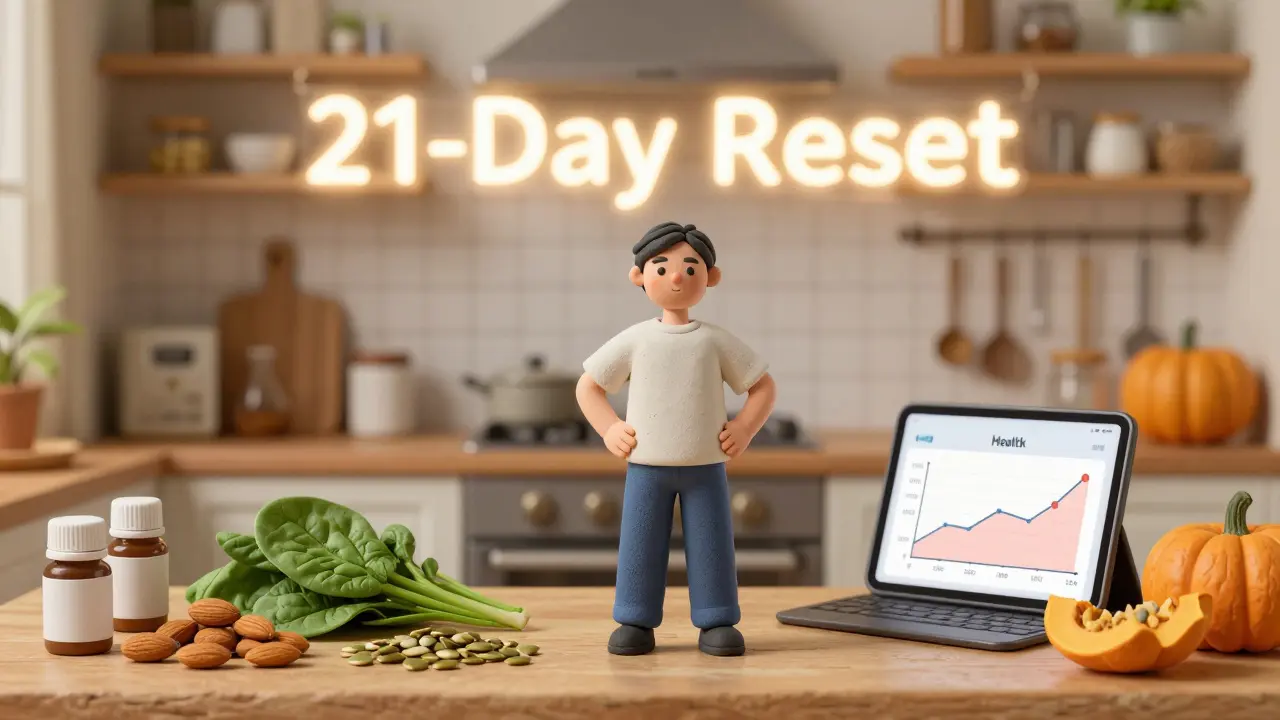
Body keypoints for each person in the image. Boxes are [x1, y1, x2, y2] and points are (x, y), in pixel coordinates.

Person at [576, 221, 777, 657]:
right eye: (661, 267)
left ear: (710, 278)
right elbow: (588, 386)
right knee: (640, 540)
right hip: (647, 465)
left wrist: (744, 427)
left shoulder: (714, 341)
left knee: (712, 542)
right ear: (639, 276)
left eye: (691, 267)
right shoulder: (635, 339)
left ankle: (717, 618)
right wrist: (610, 427)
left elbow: (762, 386)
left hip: (706, 464)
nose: (677, 277)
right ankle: (634, 618)